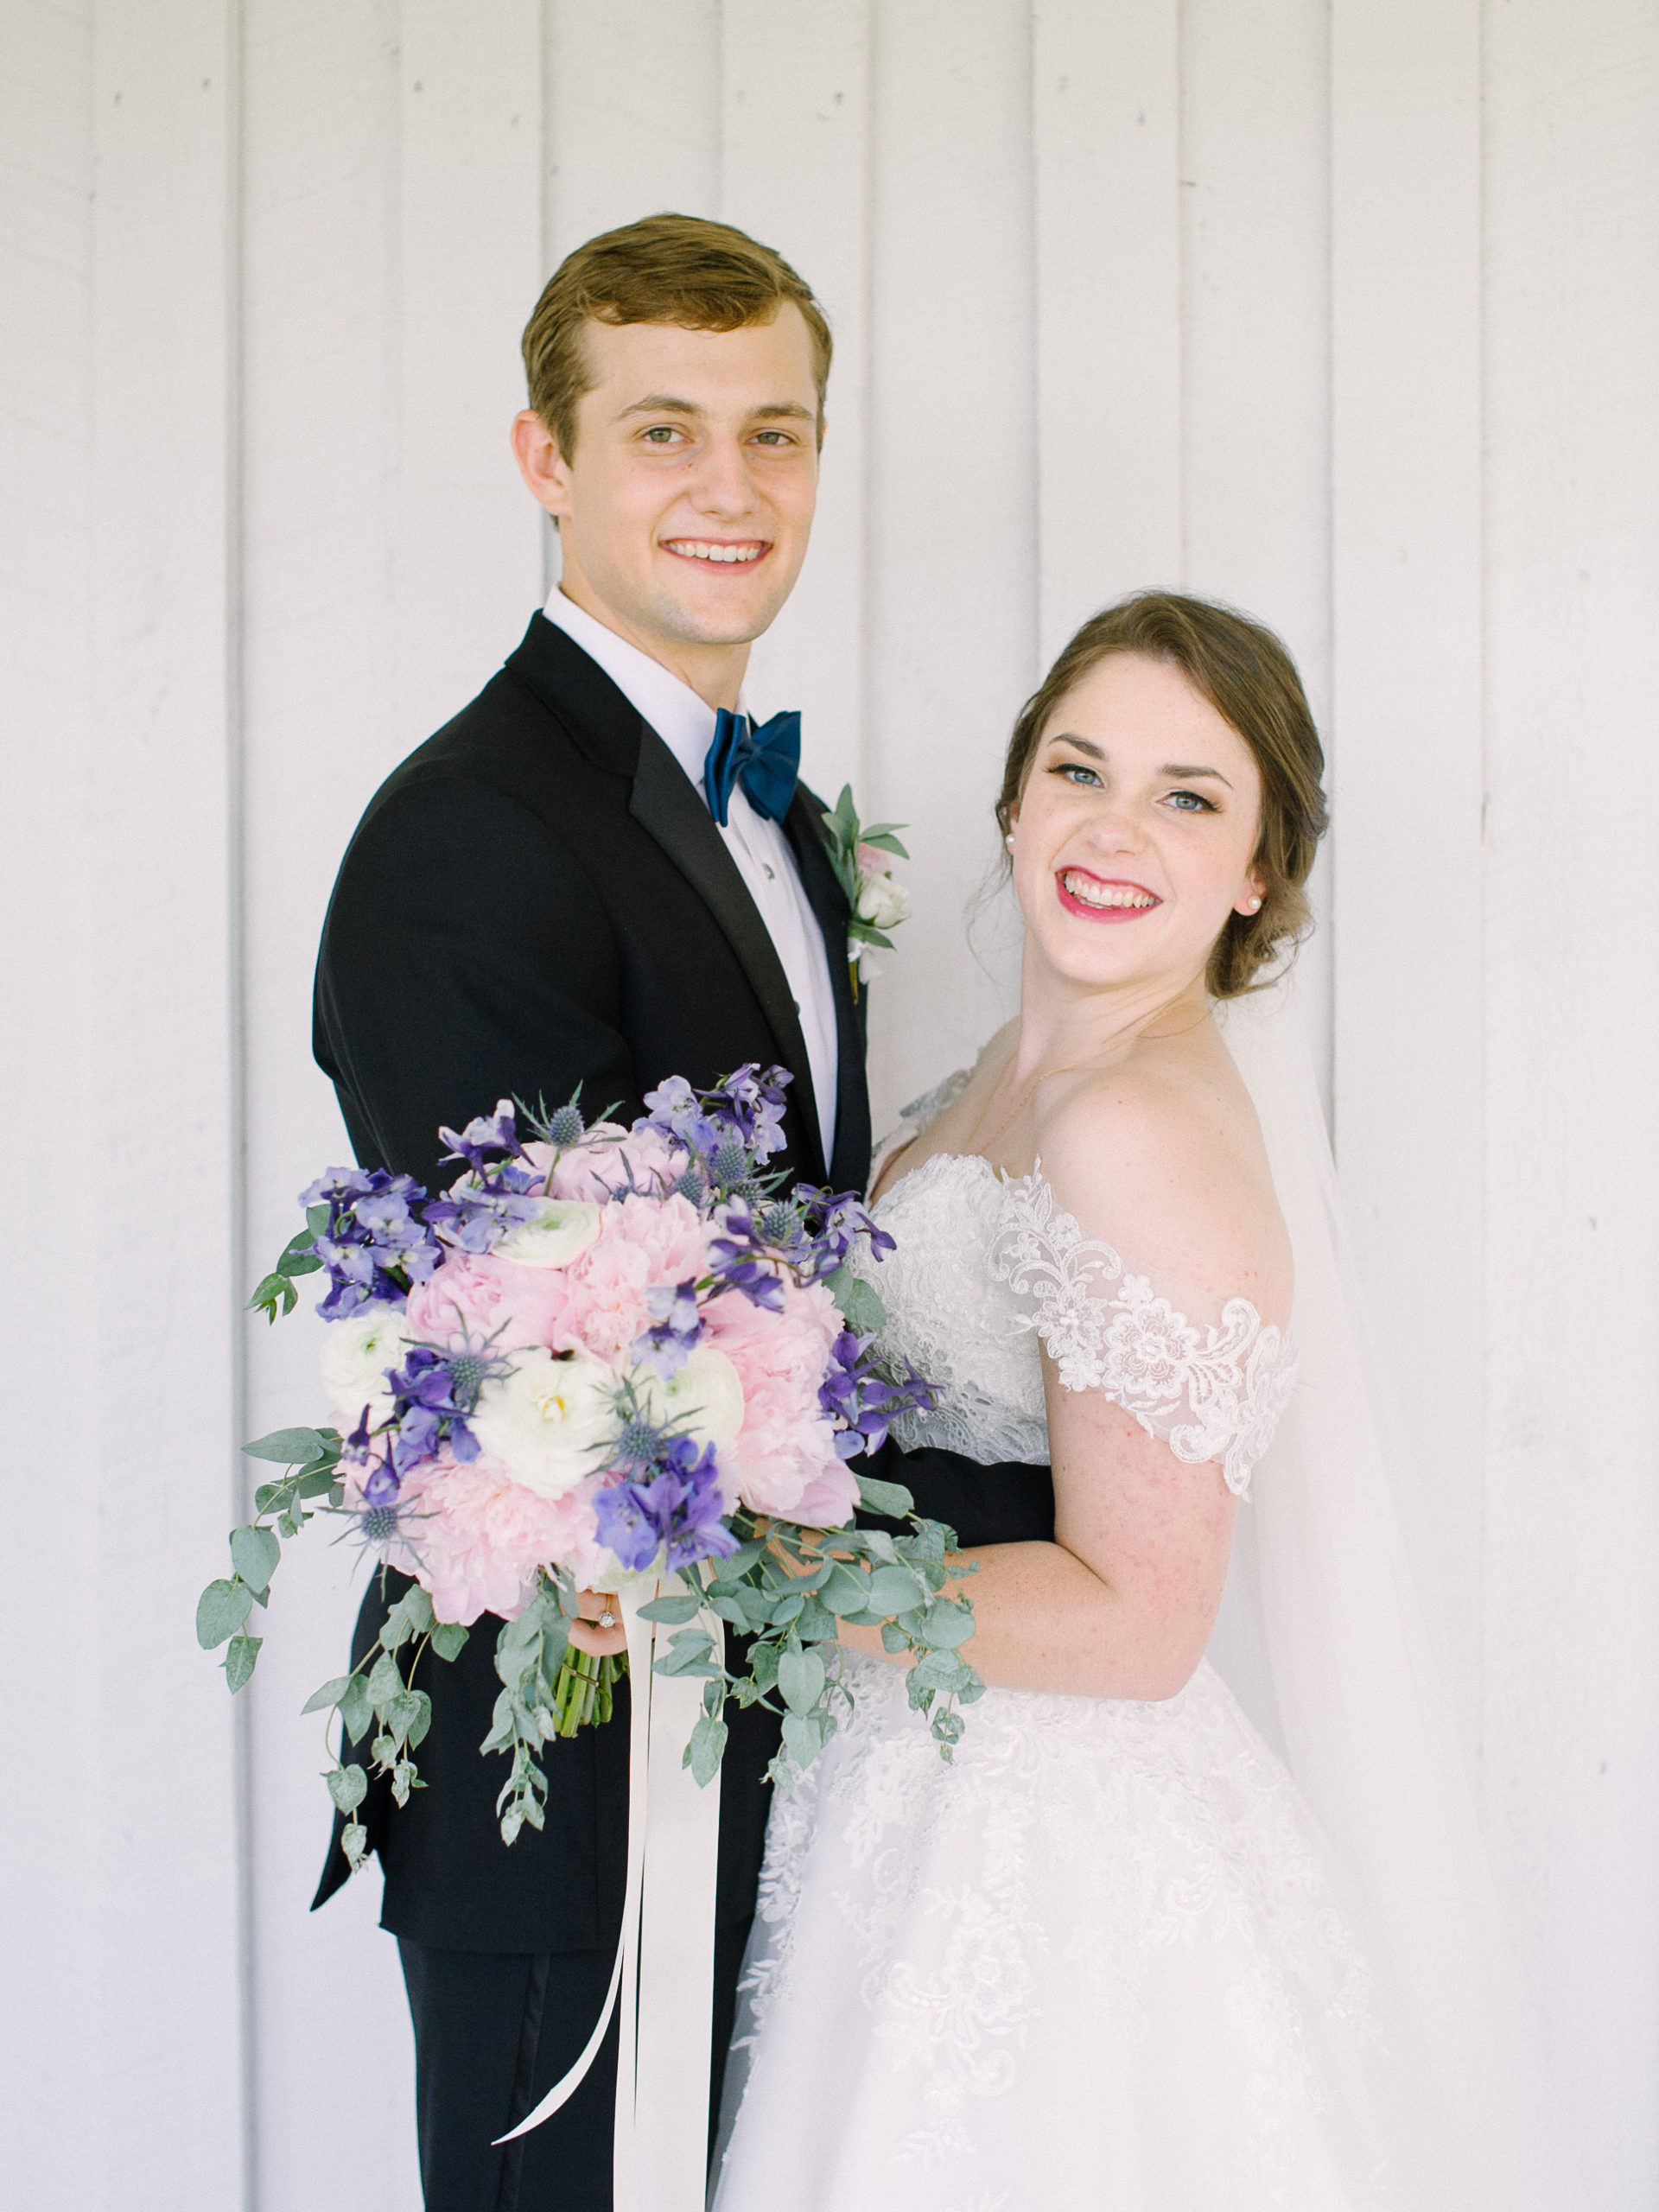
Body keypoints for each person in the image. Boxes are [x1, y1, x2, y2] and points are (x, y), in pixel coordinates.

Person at [713, 592, 1567, 2209]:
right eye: (1080, 769)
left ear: (1255, 873)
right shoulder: (996, 1079)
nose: (1115, 830)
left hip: (1042, 1846)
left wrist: (755, 1586)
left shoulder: (1137, 1131)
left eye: (1189, 797)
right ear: (1015, 801)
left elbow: (1139, 1617)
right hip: (911, 1778)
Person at [308, 211, 873, 2210]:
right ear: (546, 459)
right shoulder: (474, 827)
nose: (732, 488)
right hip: (579, 1735)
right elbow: (524, 1341)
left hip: (780, 1738)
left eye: (777, 434)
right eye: (663, 430)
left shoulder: (776, 813)